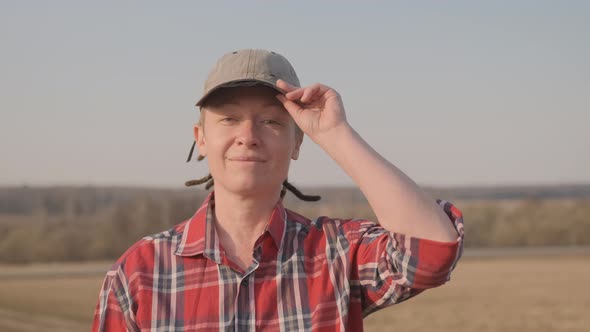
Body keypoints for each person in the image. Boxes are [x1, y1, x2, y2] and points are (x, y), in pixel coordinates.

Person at [92, 49, 464, 332]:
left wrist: (335, 135)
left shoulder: (336, 255)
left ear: (298, 143)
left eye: (270, 121)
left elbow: (431, 252)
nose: (248, 137)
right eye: (229, 119)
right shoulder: (139, 275)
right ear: (200, 138)